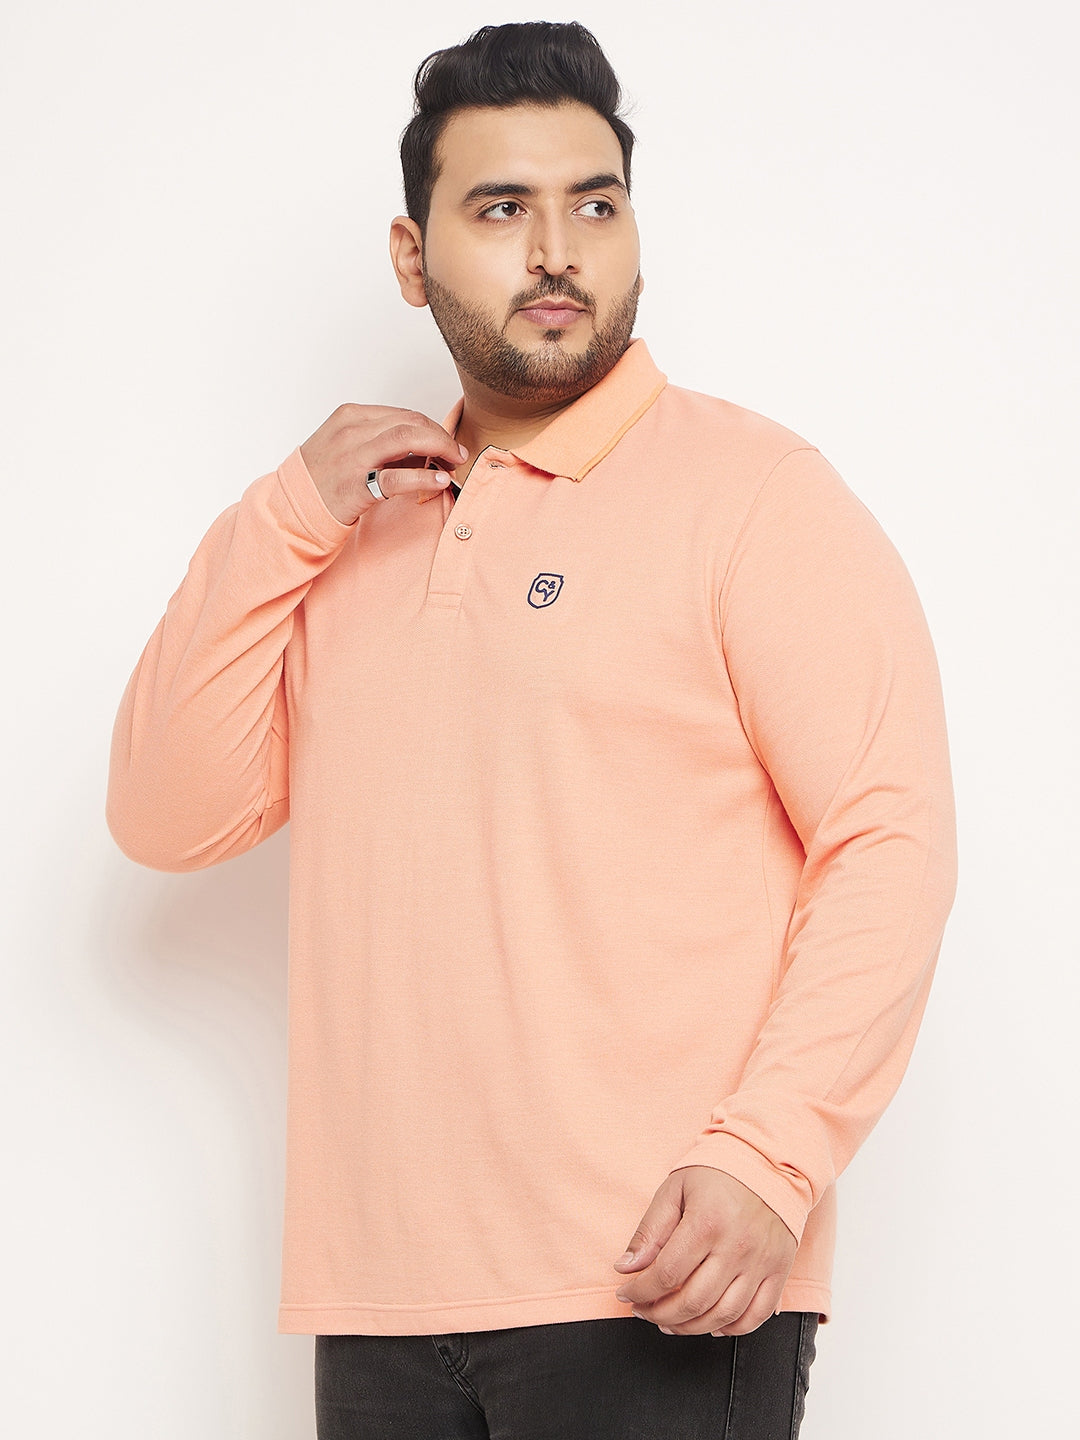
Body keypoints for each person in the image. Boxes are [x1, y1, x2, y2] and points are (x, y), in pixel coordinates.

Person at [106, 19, 957, 1440]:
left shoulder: (755, 494)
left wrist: (771, 1155)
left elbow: (890, 838)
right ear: (412, 255)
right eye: (503, 209)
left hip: (657, 1275)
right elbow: (163, 815)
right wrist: (286, 515)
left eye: (595, 206)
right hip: (380, 1298)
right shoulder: (351, 538)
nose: (558, 252)